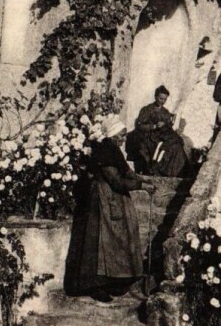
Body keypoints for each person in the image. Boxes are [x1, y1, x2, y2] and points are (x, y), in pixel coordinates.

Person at [64, 115, 156, 303]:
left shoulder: (114, 150)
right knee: (99, 243)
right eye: (121, 135)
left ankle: (114, 282)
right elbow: (116, 181)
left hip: (115, 198)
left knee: (116, 241)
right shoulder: (104, 151)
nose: (124, 139)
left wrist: (144, 179)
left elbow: (127, 172)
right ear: (112, 135)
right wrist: (142, 186)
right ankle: (95, 286)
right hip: (102, 200)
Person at [131, 86, 189, 177]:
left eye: (165, 99)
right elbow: (139, 125)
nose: (162, 101)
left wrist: (165, 125)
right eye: (161, 98)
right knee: (166, 146)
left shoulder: (165, 112)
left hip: (163, 136)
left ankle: (174, 172)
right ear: (155, 97)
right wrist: (154, 126)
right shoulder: (147, 110)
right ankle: (156, 169)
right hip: (150, 137)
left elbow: (168, 126)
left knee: (176, 146)